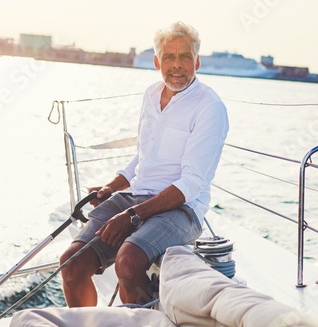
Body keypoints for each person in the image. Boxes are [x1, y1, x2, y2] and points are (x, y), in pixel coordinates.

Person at [59, 21, 229, 307]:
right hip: (136, 196)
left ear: (197, 61)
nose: (177, 65)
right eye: (169, 57)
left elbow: (191, 185)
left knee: (128, 261)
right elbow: (144, 155)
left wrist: (132, 216)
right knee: (72, 263)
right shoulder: (151, 95)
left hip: (183, 209)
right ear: (156, 61)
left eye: (185, 56)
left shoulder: (210, 107)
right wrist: (112, 187)